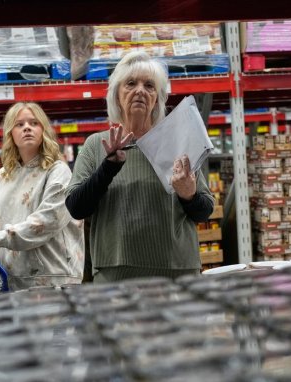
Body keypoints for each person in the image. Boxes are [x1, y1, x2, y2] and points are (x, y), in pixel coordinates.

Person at [65, 51, 215, 282]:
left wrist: (189, 195)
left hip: (177, 271)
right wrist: (109, 167)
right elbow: (76, 208)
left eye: (149, 86)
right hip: (116, 272)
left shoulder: (176, 143)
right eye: (131, 83)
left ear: (157, 98)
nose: (140, 91)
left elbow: (204, 211)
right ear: (116, 95)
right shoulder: (97, 145)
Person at [0, 101, 84, 289]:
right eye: (19, 124)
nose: (27, 127)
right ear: (10, 134)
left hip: (54, 281)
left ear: (43, 129)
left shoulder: (58, 171)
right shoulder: (4, 176)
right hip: (11, 281)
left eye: (34, 123)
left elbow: (46, 222)